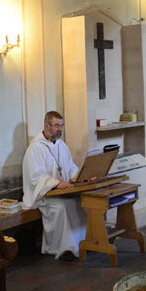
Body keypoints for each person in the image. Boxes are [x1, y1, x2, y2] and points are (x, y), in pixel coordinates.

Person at [22, 110, 86, 259]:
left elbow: (70, 167)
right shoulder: (35, 148)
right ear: (46, 125)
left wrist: (79, 177)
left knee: (80, 201)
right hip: (44, 195)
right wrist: (56, 183)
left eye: (61, 126)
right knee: (64, 207)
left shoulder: (61, 145)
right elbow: (35, 178)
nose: (59, 129)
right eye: (56, 125)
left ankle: (81, 244)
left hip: (61, 192)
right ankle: (63, 249)